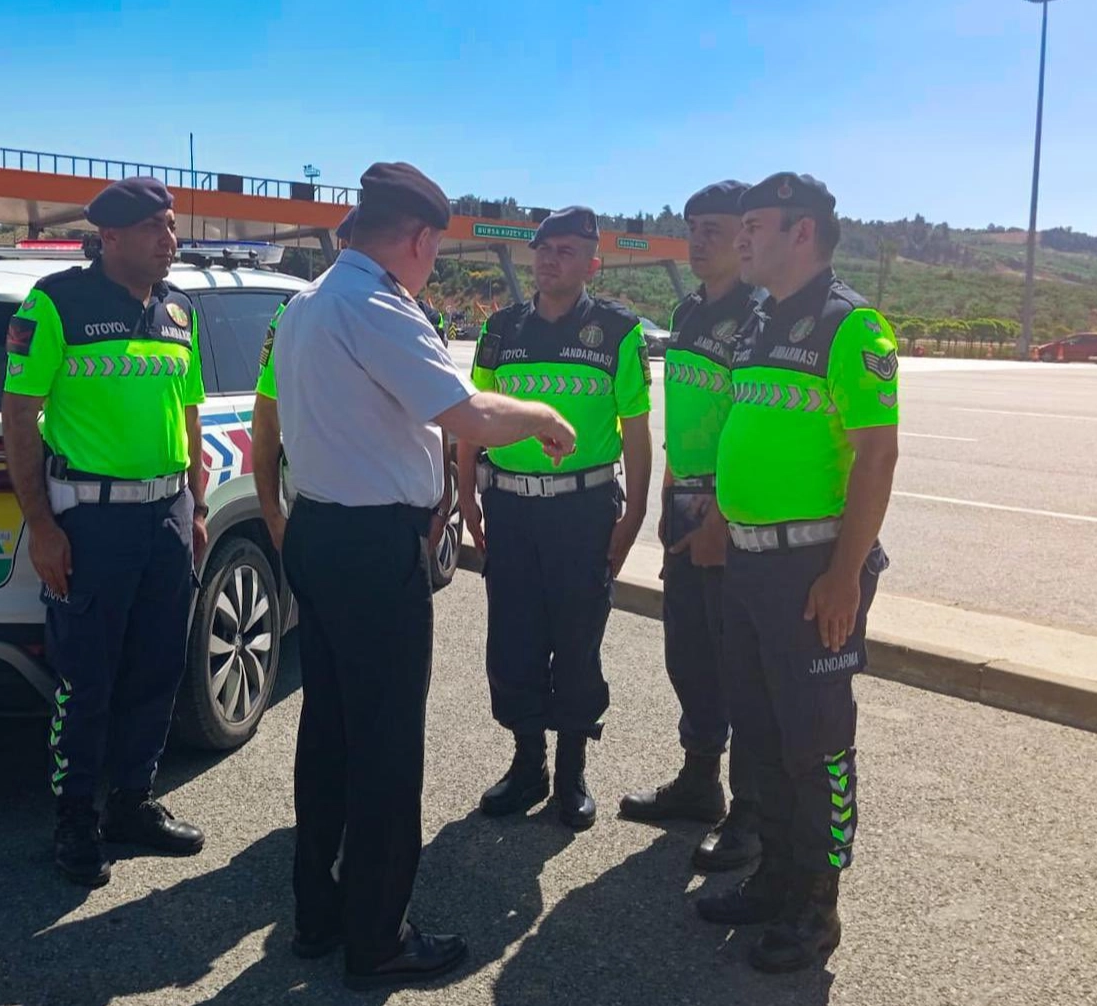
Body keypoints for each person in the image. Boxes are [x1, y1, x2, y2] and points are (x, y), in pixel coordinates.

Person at [275, 162, 577, 992]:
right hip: (373, 552)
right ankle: (377, 938)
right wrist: (544, 415)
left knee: (329, 733)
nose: (431, 266)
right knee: (385, 749)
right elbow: (470, 415)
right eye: (434, 251)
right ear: (415, 239)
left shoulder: (307, 302)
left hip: (321, 533)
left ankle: (318, 912)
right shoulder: (374, 305)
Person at [693, 173, 899, 974]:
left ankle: (817, 908)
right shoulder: (756, 322)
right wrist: (719, 523)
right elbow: (749, 431)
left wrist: (845, 573)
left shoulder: (853, 327)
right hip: (747, 562)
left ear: (802, 232)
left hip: (815, 569)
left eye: (756, 224)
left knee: (818, 745)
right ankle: (775, 880)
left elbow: (878, 453)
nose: (743, 237)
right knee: (765, 733)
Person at [1, 177, 208, 888]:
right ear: (111, 237)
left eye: (172, 226)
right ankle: (74, 820)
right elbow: (19, 413)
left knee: (157, 667)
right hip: (89, 521)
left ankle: (132, 802)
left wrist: (198, 508)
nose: (170, 240)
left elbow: (190, 416)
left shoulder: (180, 310)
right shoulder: (56, 302)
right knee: (87, 680)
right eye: (155, 227)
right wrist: (40, 524)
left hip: (168, 516)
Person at [457, 206, 653, 831]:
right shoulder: (500, 330)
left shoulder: (619, 333)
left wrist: (634, 517)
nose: (550, 260)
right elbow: (472, 416)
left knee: (576, 639)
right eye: (544, 250)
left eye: (567, 251)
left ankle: (570, 773)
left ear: (592, 262)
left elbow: (639, 434)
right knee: (513, 639)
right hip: (509, 507)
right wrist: (465, 493)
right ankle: (527, 764)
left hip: (583, 511)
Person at [619, 180, 763, 873]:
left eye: (715, 229)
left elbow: (754, 428)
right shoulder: (687, 310)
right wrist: (669, 496)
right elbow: (687, 415)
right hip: (685, 501)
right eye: (693, 228)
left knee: (739, 663)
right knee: (689, 653)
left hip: (729, 509)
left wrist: (722, 517)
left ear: (745, 236)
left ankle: (751, 813)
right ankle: (699, 782)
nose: (700, 240)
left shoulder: (759, 314)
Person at [254, 206, 450, 554]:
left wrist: (442, 503)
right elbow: (266, 418)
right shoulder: (296, 312)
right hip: (333, 520)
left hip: (394, 522)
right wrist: (273, 517)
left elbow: (439, 411)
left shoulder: (411, 314)